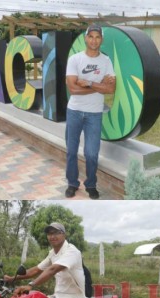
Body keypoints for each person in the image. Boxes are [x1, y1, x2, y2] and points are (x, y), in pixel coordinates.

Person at [64, 24, 116, 199]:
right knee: (71, 151)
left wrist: (89, 83)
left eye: (98, 37)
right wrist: (100, 86)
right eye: (91, 36)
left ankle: (91, 184)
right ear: (86, 38)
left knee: (91, 154)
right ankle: (72, 183)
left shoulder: (106, 61)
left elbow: (111, 89)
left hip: (94, 114)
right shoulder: (75, 59)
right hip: (74, 111)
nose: (94, 40)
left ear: (101, 39)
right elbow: (73, 89)